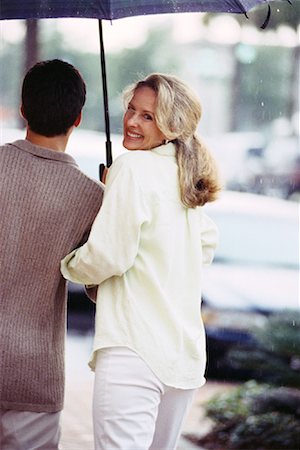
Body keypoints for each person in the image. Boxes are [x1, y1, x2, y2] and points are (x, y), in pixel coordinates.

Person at [61, 73, 221, 450]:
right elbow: (205, 246)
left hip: (133, 349)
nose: (132, 121)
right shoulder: (186, 176)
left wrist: (68, 265)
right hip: (182, 358)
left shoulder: (131, 168)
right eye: (132, 110)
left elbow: (109, 255)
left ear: (172, 124)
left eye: (148, 116)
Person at [0, 59, 104, 450]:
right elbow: (97, 286)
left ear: (23, 109)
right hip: (35, 371)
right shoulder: (92, 197)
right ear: (78, 117)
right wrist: (113, 203)